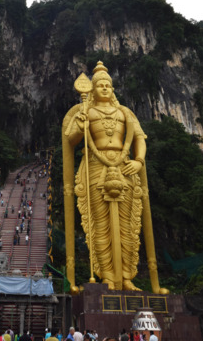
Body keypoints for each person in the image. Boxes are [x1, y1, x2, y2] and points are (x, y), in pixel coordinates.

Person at [61, 61, 167, 293]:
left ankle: (127, 277)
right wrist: (81, 123)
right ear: (93, 89)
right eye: (100, 85)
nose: (105, 88)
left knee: (128, 225)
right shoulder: (86, 111)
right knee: (100, 225)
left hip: (124, 167)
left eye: (108, 85)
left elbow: (139, 138)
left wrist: (138, 161)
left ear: (113, 89)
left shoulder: (125, 113)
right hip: (96, 168)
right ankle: (108, 277)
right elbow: (70, 140)